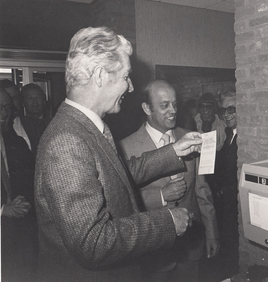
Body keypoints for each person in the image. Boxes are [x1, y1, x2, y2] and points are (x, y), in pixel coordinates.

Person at [34, 26, 202, 282]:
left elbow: (118, 175)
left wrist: (173, 151)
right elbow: (94, 243)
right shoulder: (66, 141)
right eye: (126, 76)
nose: (131, 87)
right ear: (101, 75)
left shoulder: (85, 126)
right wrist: (167, 222)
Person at [119, 80, 219, 282]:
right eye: (164, 105)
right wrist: (161, 196)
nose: (172, 110)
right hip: (155, 254)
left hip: (191, 247)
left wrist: (212, 232)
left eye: (175, 104)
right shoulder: (125, 147)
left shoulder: (191, 137)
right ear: (147, 108)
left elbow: (202, 190)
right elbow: (122, 203)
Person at [1, 88, 38, 282]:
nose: (5, 113)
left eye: (7, 107)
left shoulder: (13, 141)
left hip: (15, 234)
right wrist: (2, 209)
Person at [208, 95, 239, 281]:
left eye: (231, 110)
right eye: (223, 111)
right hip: (226, 203)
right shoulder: (229, 135)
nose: (226, 115)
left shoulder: (243, 138)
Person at [18, 83, 50, 157]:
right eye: (30, 98)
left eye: (38, 98)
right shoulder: (17, 125)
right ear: (23, 103)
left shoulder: (53, 123)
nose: (35, 102)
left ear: (44, 101)